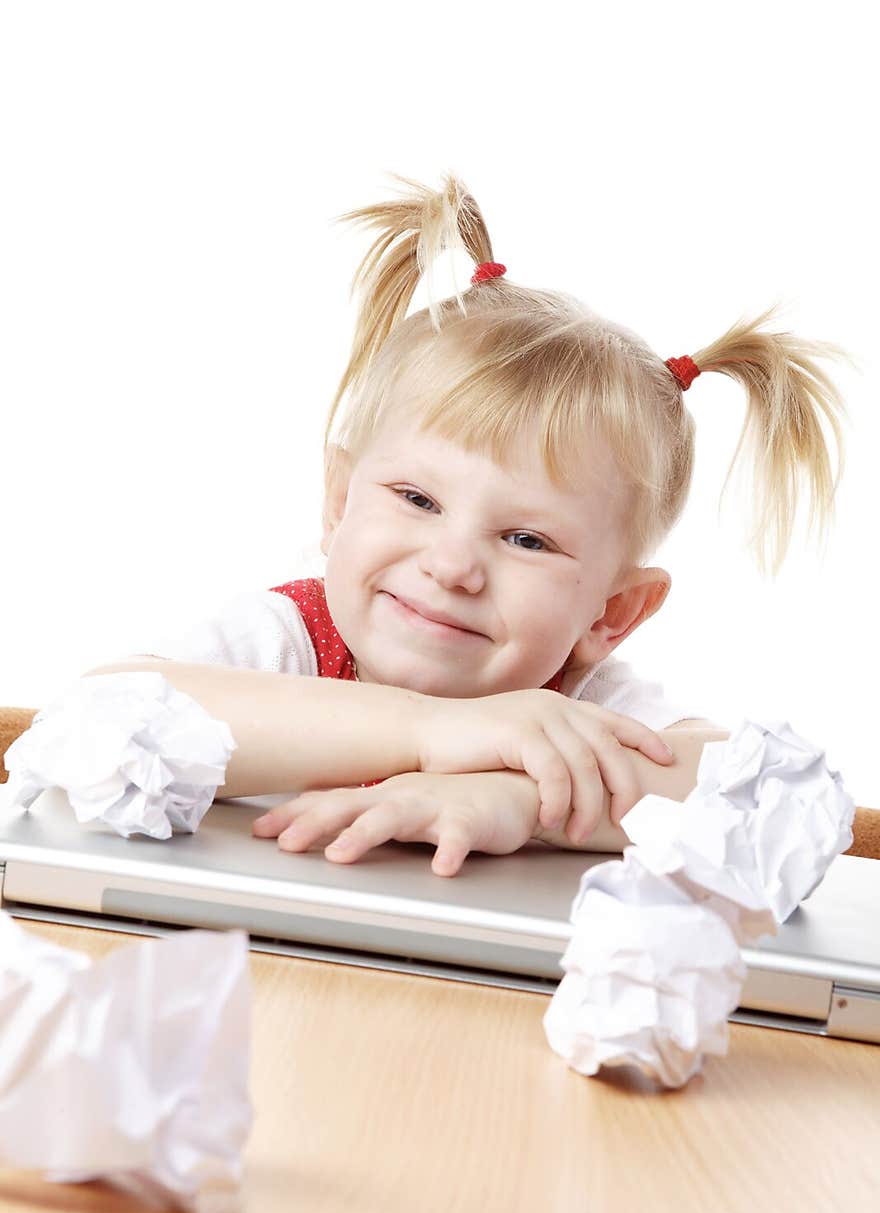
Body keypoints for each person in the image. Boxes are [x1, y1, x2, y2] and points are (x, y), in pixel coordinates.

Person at [86, 171, 852, 876]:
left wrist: (526, 802)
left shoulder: (578, 712)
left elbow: (789, 801)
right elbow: (95, 716)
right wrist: (425, 731)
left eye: (527, 540)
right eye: (417, 499)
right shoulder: (283, 643)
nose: (453, 565)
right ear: (339, 499)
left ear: (612, 613)